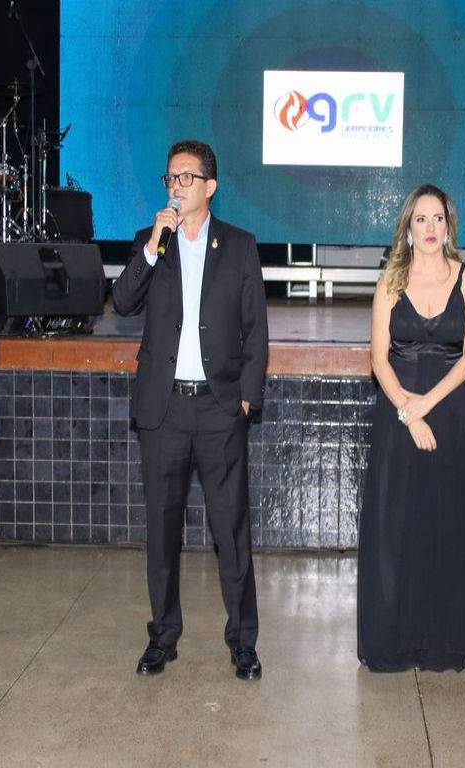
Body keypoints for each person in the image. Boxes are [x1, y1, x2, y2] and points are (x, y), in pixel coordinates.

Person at [112, 140, 268, 680]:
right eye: (170, 177)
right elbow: (122, 301)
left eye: (186, 177)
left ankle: (243, 641)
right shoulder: (152, 241)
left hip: (220, 408)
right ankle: (162, 636)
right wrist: (152, 247)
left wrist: (246, 398)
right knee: (162, 530)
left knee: (231, 530)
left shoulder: (240, 246)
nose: (176, 186)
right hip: (164, 410)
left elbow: (256, 329)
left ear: (210, 186)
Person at [357, 184, 465, 672]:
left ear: (448, 226)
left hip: (448, 414)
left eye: (438, 219)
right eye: (421, 219)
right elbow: (378, 359)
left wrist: (425, 407)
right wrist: (408, 415)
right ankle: (393, 639)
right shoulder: (390, 281)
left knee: (443, 523)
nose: (430, 228)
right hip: (397, 417)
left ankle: (442, 640)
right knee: (395, 527)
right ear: (408, 229)